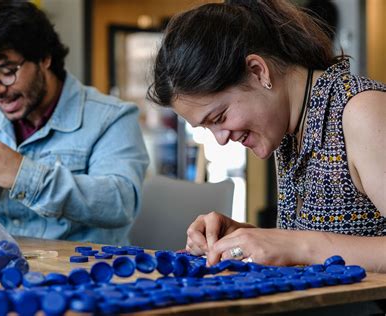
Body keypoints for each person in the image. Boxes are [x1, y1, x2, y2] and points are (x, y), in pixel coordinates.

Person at [148, 0, 385, 272]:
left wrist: (295, 245)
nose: (220, 139)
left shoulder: (359, 110)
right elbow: (327, 241)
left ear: (258, 72)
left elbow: (308, 246)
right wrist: (242, 238)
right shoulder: (289, 129)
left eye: (219, 118)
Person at [0, 1, 149, 245]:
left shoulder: (112, 118)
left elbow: (120, 204)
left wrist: (22, 175)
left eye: (7, 72)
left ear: (44, 58)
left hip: (85, 275)